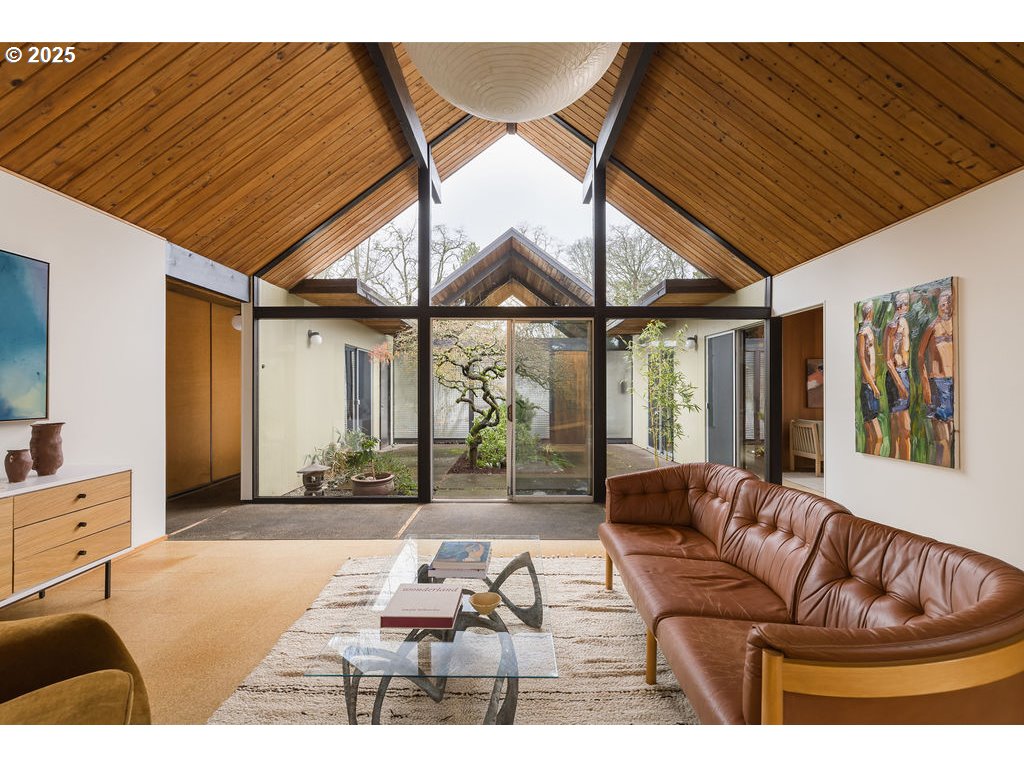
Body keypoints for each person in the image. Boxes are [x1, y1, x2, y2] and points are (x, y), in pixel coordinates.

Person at [918, 287, 956, 467]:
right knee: (942, 439)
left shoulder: (955, 325)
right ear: (938, 305)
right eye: (943, 303)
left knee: (952, 435)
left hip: (953, 382)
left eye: (949, 302)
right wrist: (925, 382)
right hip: (937, 381)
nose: (946, 306)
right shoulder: (933, 326)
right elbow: (920, 355)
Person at [883, 291, 912, 460]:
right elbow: (888, 360)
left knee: (899, 429)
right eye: (905, 303)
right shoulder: (892, 326)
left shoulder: (904, 322)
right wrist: (900, 385)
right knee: (903, 428)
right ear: (899, 306)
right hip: (896, 376)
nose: (906, 306)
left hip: (904, 373)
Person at [857, 301, 883, 455]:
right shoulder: (863, 333)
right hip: (868, 387)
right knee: (877, 436)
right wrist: (873, 386)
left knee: (872, 437)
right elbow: (862, 360)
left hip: (870, 385)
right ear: (870, 312)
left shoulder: (870, 331)